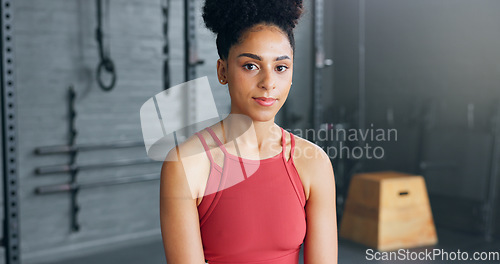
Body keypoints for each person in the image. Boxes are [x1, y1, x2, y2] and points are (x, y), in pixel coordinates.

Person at [160, 0, 337, 263]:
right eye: (251, 66)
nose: (268, 83)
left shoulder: (314, 163)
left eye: (280, 68)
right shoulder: (186, 165)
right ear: (223, 71)